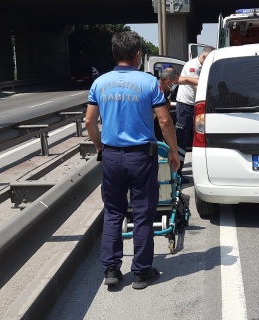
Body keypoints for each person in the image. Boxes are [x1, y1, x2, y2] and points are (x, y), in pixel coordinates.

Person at [85, 31, 180, 290]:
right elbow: (164, 120)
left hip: (112, 156)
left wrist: (99, 146)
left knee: (114, 212)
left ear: (114, 54)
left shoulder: (100, 83)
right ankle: (141, 272)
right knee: (142, 213)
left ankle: (112, 270)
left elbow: (89, 121)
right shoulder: (149, 83)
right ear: (139, 55)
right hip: (141, 156)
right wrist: (173, 151)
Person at [174, 45, 215, 182]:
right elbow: (199, 87)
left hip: (196, 106)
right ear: (204, 56)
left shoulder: (204, 66)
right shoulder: (193, 66)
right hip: (186, 106)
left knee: (197, 138)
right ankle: (176, 173)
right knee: (181, 139)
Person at [154, 66, 180, 142]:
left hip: (158, 129)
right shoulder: (155, 91)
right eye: (175, 83)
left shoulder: (166, 91)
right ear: (168, 82)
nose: (176, 85)